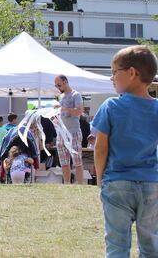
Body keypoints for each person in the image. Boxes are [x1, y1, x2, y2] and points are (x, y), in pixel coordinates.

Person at [93, 45, 158, 258]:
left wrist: (100, 178)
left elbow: (101, 148)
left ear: (132, 73)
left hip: (117, 182)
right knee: (151, 245)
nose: (111, 77)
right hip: (152, 184)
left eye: (114, 72)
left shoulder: (111, 106)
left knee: (117, 245)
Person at [54, 74, 85, 185]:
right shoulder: (61, 97)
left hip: (73, 132)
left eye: (59, 85)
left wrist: (63, 108)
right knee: (64, 162)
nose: (57, 87)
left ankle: (80, 185)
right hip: (61, 133)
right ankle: (67, 184)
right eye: (56, 85)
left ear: (65, 82)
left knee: (77, 160)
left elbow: (79, 111)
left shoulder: (76, 95)